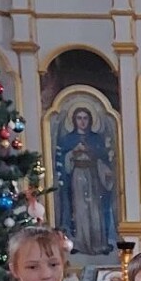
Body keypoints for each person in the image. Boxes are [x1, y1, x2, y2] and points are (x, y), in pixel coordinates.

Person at [56, 105, 116, 254]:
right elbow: (63, 161)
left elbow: (103, 158)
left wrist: (92, 153)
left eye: (85, 118)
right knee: (79, 209)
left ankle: (98, 243)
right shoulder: (68, 139)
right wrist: (72, 153)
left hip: (94, 176)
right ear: (74, 120)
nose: (82, 122)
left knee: (95, 208)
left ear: (90, 120)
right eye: (79, 118)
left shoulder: (96, 139)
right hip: (77, 177)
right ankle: (79, 243)